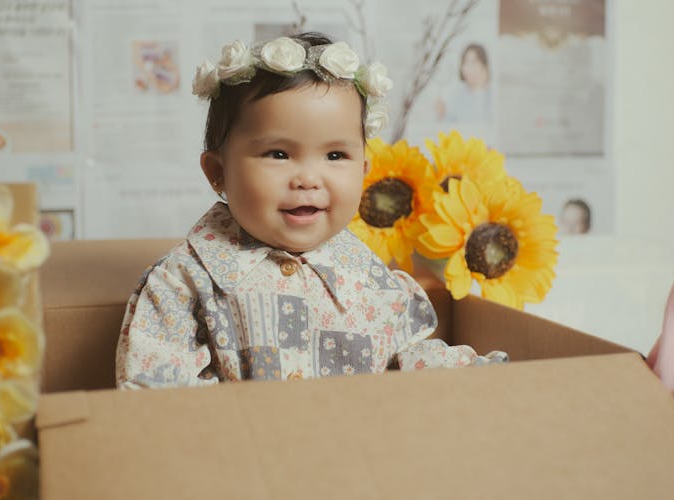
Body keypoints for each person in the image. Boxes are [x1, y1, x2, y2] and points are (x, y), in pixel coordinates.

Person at [115, 32, 506, 389]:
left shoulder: (371, 280)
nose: (308, 178)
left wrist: (467, 376)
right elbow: (156, 391)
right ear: (219, 172)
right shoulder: (184, 283)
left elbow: (404, 358)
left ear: (363, 172)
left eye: (335, 155)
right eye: (279, 154)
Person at [435, 43, 492, 124]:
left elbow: (485, 123)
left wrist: (479, 90)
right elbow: (452, 125)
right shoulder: (458, 93)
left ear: (484, 65)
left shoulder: (493, 94)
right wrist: (442, 114)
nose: (468, 67)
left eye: (474, 62)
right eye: (465, 62)